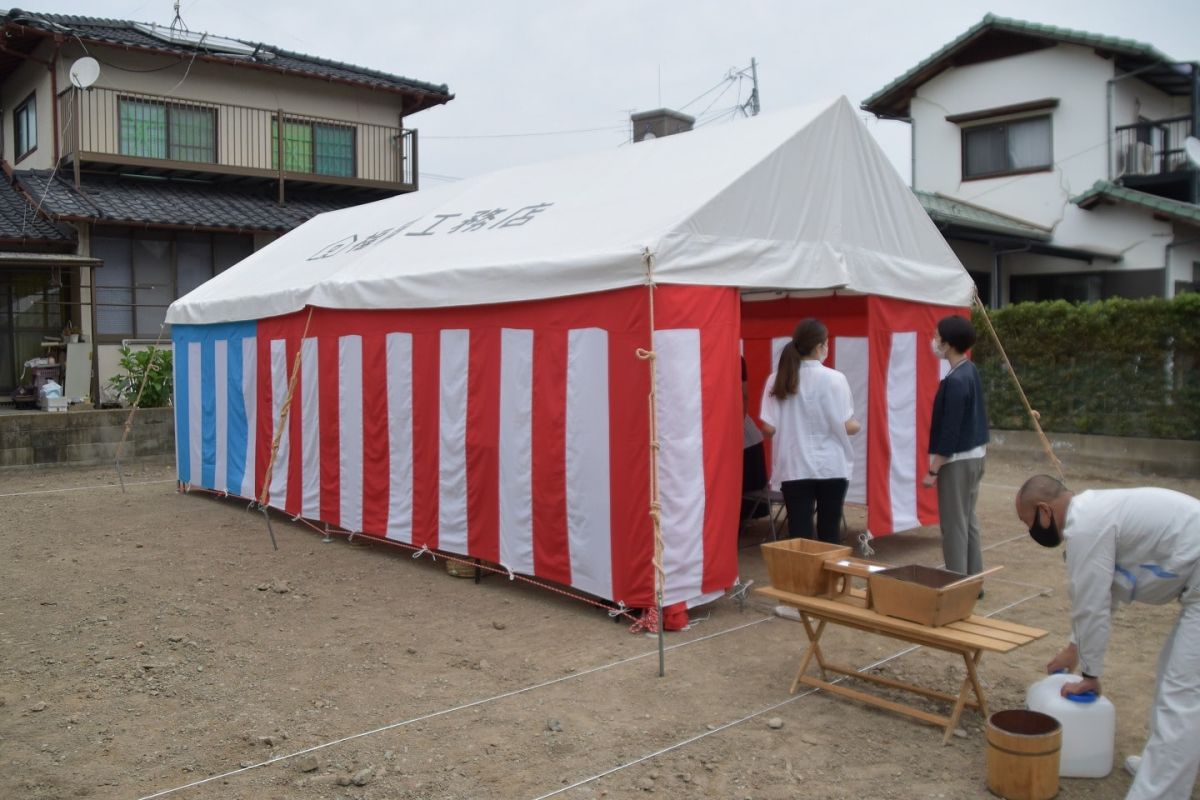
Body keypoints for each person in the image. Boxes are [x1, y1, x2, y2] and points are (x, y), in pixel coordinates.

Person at [1016, 474, 1200, 800]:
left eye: (1029, 521)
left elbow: (1091, 604)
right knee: (1171, 676)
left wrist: (1090, 675)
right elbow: (1108, 591)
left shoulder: (1086, 527)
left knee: (1182, 694)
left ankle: (1160, 792)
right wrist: (1075, 650)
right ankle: (1160, 768)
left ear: (1045, 510)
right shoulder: (1093, 512)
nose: (1031, 531)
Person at [758, 318, 860, 542]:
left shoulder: (777, 379)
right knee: (830, 531)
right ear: (819, 347)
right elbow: (848, 423)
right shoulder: (836, 379)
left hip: (794, 465)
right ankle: (829, 577)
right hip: (832, 465)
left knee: (799, 534)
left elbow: (768, 427)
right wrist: (854, 425)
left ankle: (802, 577)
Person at [922, 315, 988, 576]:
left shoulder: (955, 381)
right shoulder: (969, 369)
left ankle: (957, 581)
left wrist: (933, 470)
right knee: (968, 519)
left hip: (957, 461)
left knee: (953, 525)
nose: (935, 341)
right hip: (976, 455)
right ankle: (974, 579)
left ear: (947, 344)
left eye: (938, 337)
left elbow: (949, 431)